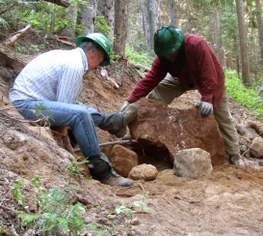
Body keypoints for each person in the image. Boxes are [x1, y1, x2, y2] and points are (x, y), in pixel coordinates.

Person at [9, 32, 137, 186]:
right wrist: (65, 146)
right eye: (100, 62)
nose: (97, 68)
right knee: (80, 114)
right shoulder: (74, 66)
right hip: (26, 105)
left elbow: (65, 107)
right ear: (94, 54)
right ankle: (102, 171)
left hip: (32, 101)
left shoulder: (67, 57)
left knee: (82, 111)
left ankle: (116, 122)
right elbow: (67, 113)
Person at [120, 25, 244, 167]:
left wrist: (207, 99)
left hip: (210, 78)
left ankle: (234, 154)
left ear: (178, 45)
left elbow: (209, 75)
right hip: (182, 78)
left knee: (222, 116)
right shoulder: (163, 58)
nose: (168, 56)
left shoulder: (197, 45)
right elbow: (149, 80)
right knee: (156, 95)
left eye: (170, 53)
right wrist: (129, 100)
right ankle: (146, 134)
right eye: (164, 54)